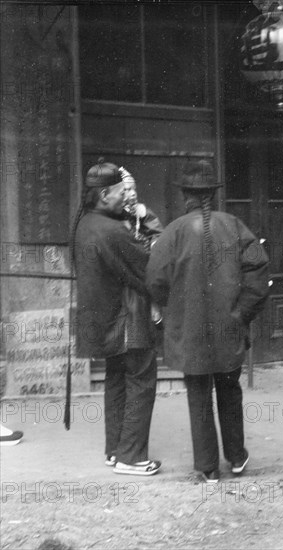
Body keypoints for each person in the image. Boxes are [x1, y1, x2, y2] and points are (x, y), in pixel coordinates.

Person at [146, 159, 270, 483]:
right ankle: (238, 457)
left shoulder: (172, 232)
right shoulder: (234, 225)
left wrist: (168, 314)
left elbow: (155, 281)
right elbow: (258, 275)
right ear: (211, 195)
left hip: (189, 332)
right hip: (229, 328)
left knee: (198, 395)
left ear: (186, 195)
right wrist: (242, 314)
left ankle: (208, 467)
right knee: (230, 391)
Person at [73, 159, 161, 476]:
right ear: (106, 193)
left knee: (116, 384)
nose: (127, 197)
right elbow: (149, 268)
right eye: (122, 192)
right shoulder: (113, 231)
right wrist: (149, 222)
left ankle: (115, 451)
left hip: (107, 321)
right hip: (129, 320)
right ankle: (132, 457)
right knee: (140, 382)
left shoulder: (85, 223)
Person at [119, 166, 164, 330]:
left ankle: (154, 308)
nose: (132, 194)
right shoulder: (111, 217)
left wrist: (154, 244)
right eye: (127, 190)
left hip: (142, 276)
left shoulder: (143, 214)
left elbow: (158, 233)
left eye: (134, 189)